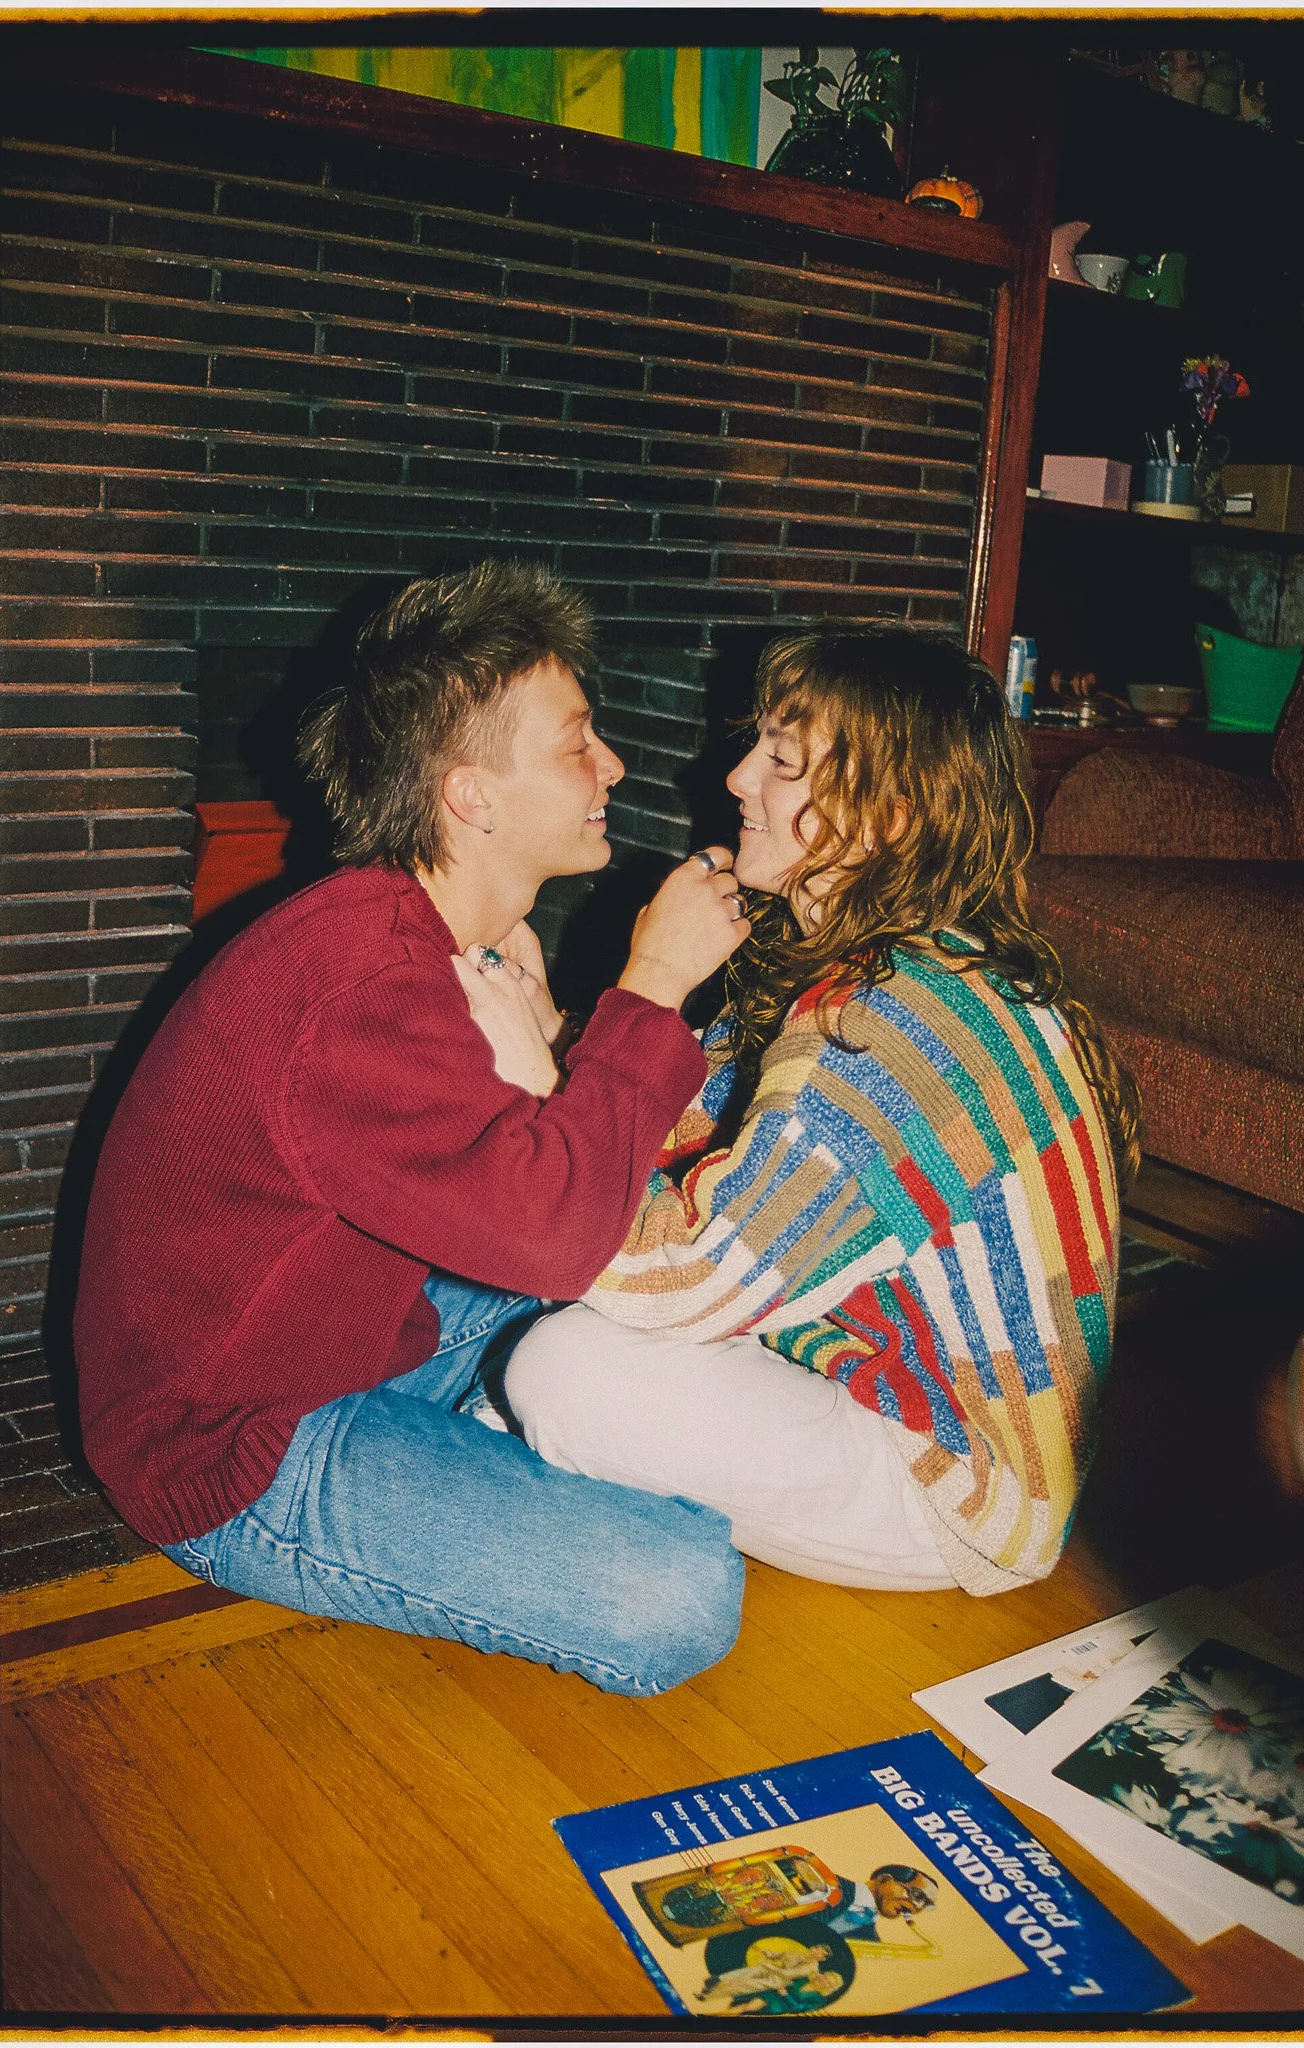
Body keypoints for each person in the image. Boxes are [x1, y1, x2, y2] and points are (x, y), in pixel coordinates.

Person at [73, 559, 752, 1697]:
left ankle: (480, 1446)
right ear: (472, 793)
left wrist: (563, 1035)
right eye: (576, 741)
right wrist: (652, 986)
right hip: (232, 1440)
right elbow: (549, 1240)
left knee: (669, 1286)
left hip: (363, 1327)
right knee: (680, 1592)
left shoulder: (419, 938)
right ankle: (475, 1460)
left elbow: (547, 1185)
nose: (613, 766)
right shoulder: (361, 988)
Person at [501, 628, 1138, 1598]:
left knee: (560, 1367)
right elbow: (689, 1113)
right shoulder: (895, 954)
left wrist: (632, 995)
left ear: (886, 814)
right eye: (756, 743)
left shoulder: (889, 1027)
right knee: (557, 1280)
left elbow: (679, 1274)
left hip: (957, 1484)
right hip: (845, 1353)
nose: (739, 776)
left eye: (784, 760)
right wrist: (554, 1028)